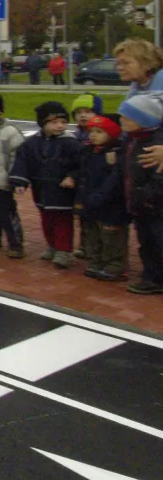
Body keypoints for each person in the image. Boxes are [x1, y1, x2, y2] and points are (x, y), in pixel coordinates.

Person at [10, 101, 83, 269]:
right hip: (41, 189)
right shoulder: (31, 144)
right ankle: (52, 245)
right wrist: (20, 180)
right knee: (46, 219)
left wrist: (72, 177)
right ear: (43, 123)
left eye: (63, 122)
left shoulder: (71, 143)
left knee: (63, 220)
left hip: (62, 191)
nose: (60, 126)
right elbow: (22, 162)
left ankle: (63, 250)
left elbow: (81, 164)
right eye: (54, 122)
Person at [74, 114, 128, 282]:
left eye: (99, 131)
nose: (93, 135)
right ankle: (96, 260)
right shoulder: (87, 151)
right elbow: (82, 175)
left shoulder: (116, 153)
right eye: (91, 131)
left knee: (111, 235)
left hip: (111, 204)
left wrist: (101, 195)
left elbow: (115, 180)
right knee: (92, 233)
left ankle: (115, 264)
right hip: (90, 201)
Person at [119, 94, 163, 295]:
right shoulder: (135, 140)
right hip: (142, 204)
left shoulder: (154, 146)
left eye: (127, 117)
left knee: (158, 242)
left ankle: (156, 277)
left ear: (143, 120)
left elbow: (158, 178)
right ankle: (151, 276)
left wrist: (144, 196)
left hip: (154, 205)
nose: (122, 121)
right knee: (146, 243)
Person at [113, 39, 163, 174]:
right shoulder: (137, 88)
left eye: (126, 63)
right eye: (117, 63)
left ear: (147, 64)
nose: (120, 67)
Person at [0, 92, 25, 258]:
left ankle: (15, 242)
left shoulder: (9, 132)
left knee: (6, 213)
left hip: (1, 182)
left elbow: (16, 156)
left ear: (0, 111)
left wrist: (16, 178)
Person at [69, 92, 104, 258]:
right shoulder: (74, 138)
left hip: (97, 183)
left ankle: (99, 247)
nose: (83, 115)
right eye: (78, 112)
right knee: (83, 216)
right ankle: (85, 244)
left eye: (88, 111)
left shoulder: (102, 138)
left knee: (99, 218)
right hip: (81, 184)